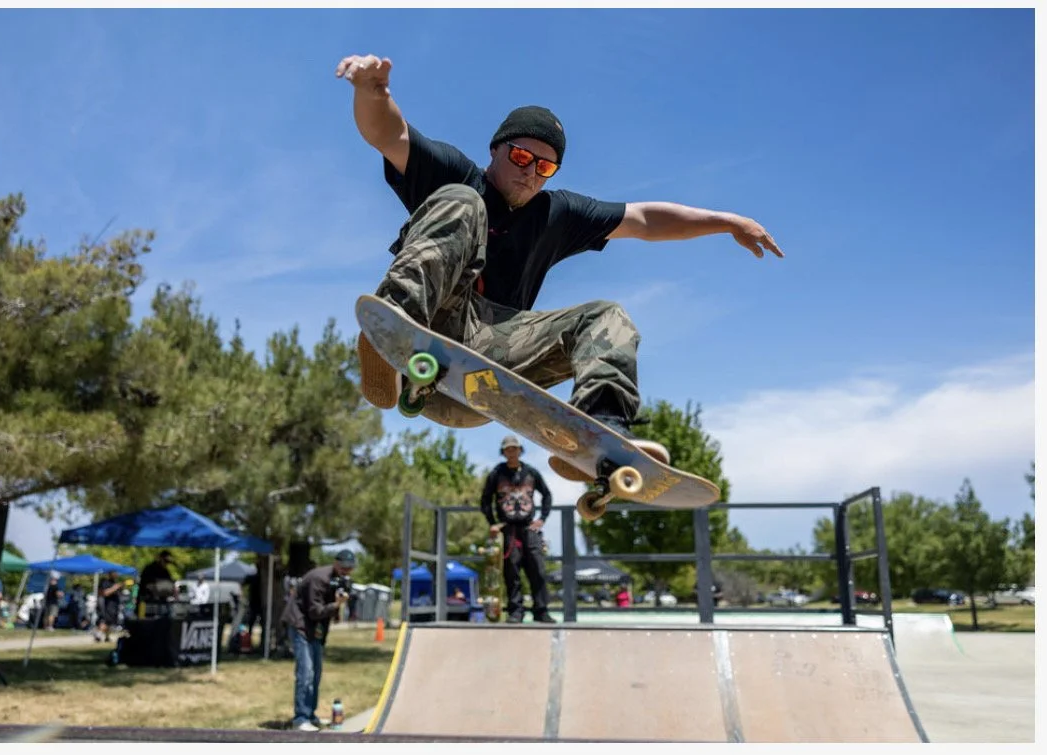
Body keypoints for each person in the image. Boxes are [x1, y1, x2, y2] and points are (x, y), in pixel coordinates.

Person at [336, 54, 783, 470]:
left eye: (544, 168)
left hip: (489, 367)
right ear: (497, 150)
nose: (530, 172)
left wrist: (727, 221)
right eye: (522, 157)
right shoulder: (456, 172)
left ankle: (603, 430)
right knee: (462, 201)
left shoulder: (556, 214)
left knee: (608, 317)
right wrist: (372, 92)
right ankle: (394, 327)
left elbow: (645, 219)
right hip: (433, 335)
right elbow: (388, 134)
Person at [480, 435, 555, 624]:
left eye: (514, 448)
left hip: (530, 527)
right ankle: (515, 611)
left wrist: (542, 520)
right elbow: (485, 500)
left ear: (520, 450)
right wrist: (492, 523)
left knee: (537, 569)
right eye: (508, 449)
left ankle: (541, 610)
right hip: (508, 528)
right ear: (503, 452)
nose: (511, 452)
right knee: (511, 570)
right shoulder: (497, 473)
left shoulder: (531, 472)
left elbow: (546, 495)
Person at [281, 550, 355, 732]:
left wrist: (338, 607)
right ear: (336, 563)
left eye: (350, 568)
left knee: (316, 674)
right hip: (300, 625)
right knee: (306, 673)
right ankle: (300, 719)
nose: (347, 571)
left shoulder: (340, 580)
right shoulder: (318, 579)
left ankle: (310, 715)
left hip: (315, 629)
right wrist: (337, 605)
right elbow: (315, 611)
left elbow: (326, 611)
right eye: (344, 567)